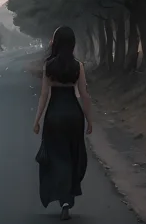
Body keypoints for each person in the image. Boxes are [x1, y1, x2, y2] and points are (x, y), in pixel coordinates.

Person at [32, 26, 93, 221]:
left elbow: (44, 95)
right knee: (74, 155)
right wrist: (90, 120)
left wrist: (37, 120)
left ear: (56, 42)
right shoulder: (78, 66)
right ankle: (68, 198)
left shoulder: (49, 66)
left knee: (58, 158)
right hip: (74, 116)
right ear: (73, 43)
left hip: (54, 116)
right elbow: (84, 95)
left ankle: (63, 199)